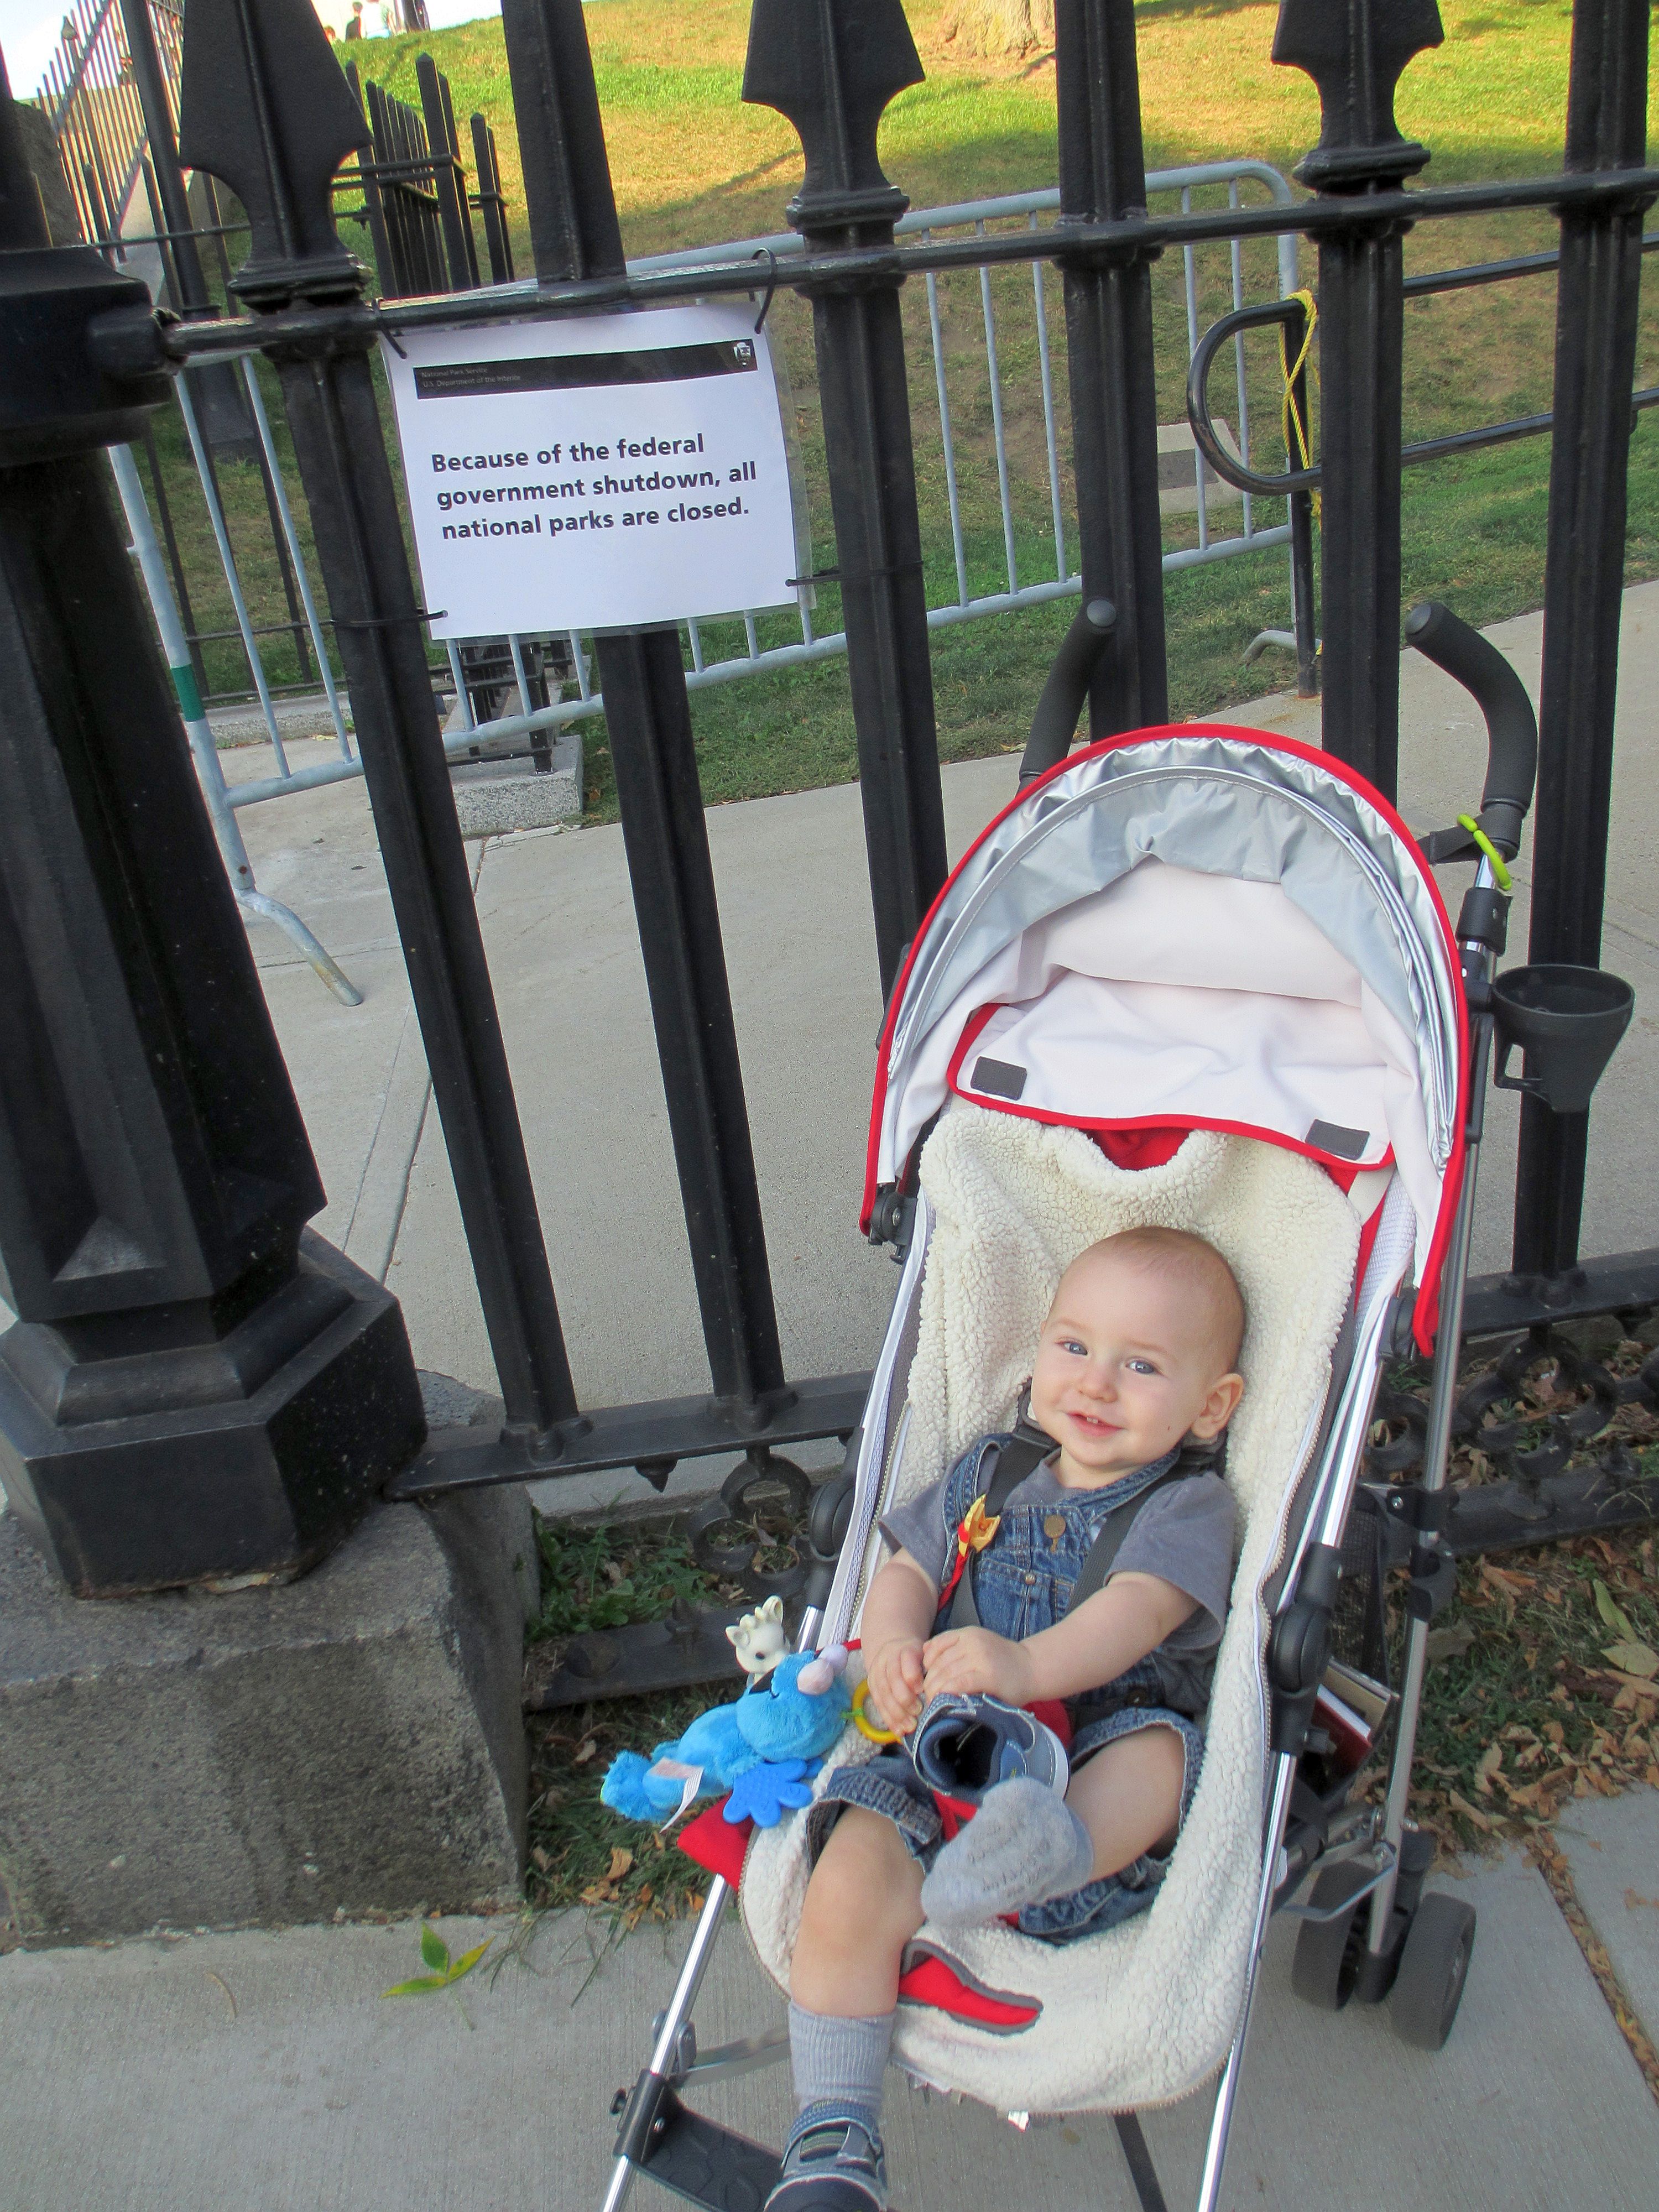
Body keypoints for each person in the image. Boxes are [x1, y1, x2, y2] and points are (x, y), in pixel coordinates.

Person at [768, 1226, 1246, 2212]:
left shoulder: (1186, 1507)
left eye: (1141, 1366)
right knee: (849, 1868)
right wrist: (894, 1646)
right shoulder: (989, 1470)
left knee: (1161, 1757)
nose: (1096, 1383)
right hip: (942, 1762)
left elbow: (1136, 1612)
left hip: (1087, 1761)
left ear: (1212, 1406)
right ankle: (833, 2132)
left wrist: (1027, 1667)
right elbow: (909, 1569)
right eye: (1073, 1346)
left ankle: (1049, 1854)